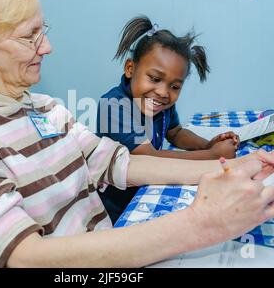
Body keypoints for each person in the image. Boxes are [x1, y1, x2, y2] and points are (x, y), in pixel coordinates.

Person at [0, 0, 274, 268]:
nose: (48, 47)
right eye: (30, 36)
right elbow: (22, 256)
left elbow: (119, 162)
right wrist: (202, 224)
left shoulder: (47, 109)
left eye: (44, 31)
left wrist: (231, 166)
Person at [96, 16, 240, 222]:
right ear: (130, 69)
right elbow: (150, 157)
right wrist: (211, 155)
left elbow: (177, 133)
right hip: (117, 209)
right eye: (155, 79)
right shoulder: (113, 106)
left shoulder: (160, 104)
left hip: (149, 190)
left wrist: (207, 143)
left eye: (175, 86)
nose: (164, 92)